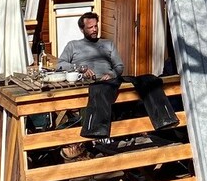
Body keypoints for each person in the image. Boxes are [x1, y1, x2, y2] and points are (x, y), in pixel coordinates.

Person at [58, 10, 180, 154]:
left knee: (149, 79)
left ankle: (164, 120)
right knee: (99, 93)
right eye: (90, 27)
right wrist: (79, 69)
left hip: (111, 81)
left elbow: (119, 66)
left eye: (96, 26)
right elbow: (60, 64)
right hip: (90, 84)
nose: (94, 30)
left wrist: (111, 74)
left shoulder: (107, 44)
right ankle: (98, 135)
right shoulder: (73, 45)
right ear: (82, 29)